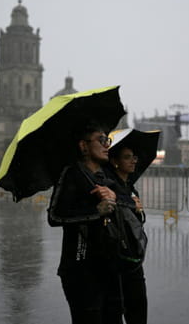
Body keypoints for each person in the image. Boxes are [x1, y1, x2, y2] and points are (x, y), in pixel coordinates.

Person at [48, 122, 123, 324]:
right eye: (101, 140)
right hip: (81, 269)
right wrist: (95, 211)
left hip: (110, 265)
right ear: (83, 146)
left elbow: (127, 206)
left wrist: (116, 197)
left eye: (107, 139)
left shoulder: (107, 176)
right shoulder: (71, 174)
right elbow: (55, 216)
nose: (107, 144)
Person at [106, 145, 148, 324]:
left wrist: (138, 211)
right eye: (127, 157)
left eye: (134, 157)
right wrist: (130, 205)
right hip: (118, 258)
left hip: (134, 258)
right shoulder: (109, 186)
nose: (133, 161)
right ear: (115, 162)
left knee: (138, 312)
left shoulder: (130, 187)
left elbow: (137, 223)